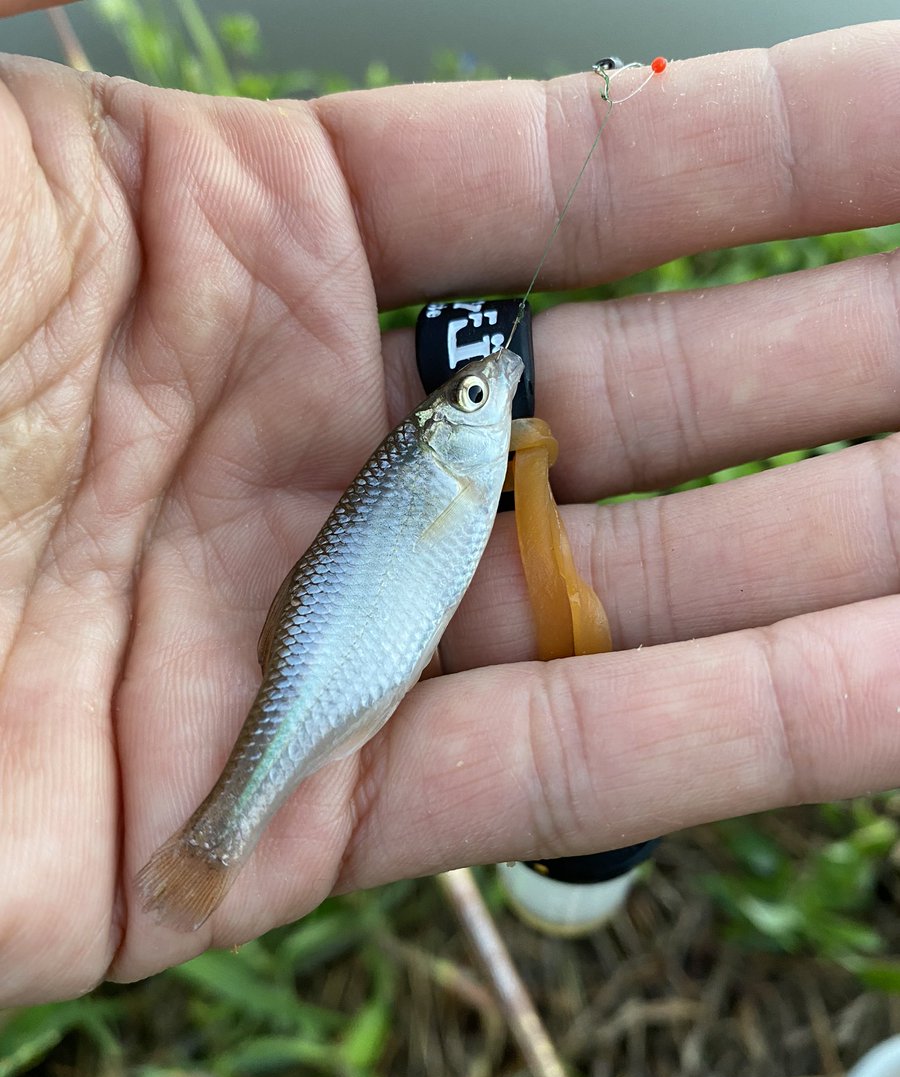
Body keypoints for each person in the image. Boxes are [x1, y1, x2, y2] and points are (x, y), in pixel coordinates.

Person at [1, 3, 898, 1006]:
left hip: (338, 644)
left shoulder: (462, 469)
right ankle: (218, 835)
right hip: (334, 655)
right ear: (451, 427)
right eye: (475, 396)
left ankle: (222, 835)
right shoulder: (445, 466)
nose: (492, 387)